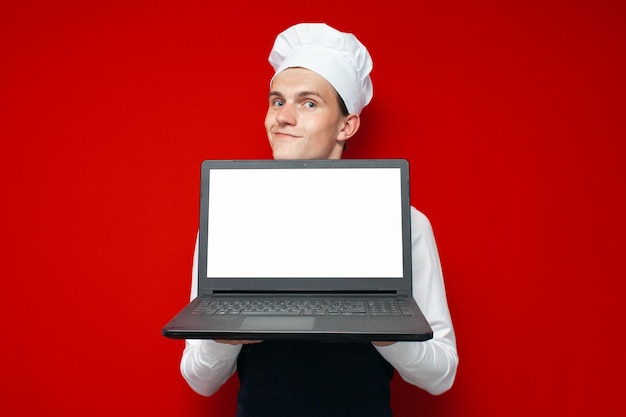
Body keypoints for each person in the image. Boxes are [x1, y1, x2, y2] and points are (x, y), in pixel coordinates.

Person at [180, 23, 458, 417]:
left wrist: (380, 326)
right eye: (277, 102)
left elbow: (441, 375)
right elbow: (199, 380)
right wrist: (220, 339)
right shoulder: (228, 227)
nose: (284, 117)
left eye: (308, 103)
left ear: (347, 125)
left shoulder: (405, 226)